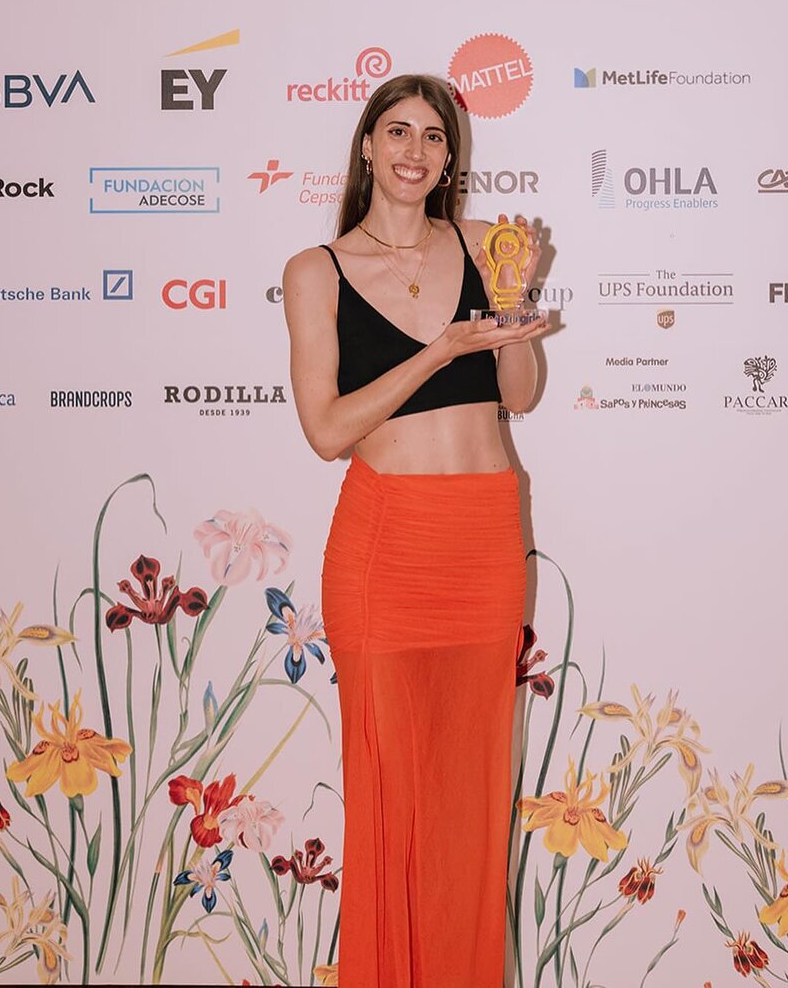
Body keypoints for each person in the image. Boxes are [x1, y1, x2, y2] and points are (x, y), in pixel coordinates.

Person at [282, 73, 549, 988]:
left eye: (434, 137)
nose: (415, 151)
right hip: (386, 548)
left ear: (449, 158)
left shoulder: (480, 244)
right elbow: (326, 432)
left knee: (471, 802)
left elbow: (519, 393)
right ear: (367, 145)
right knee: (391, 800)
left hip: (482, 540)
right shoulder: (316, 270)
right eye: (397, 131)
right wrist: (438, 351)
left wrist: (511, 309)